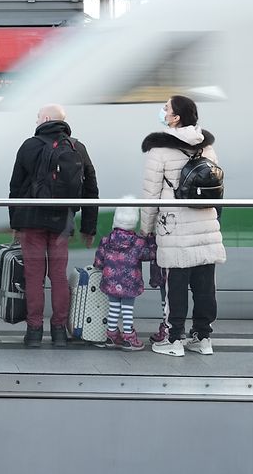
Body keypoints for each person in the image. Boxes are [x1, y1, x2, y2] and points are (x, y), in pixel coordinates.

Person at [9, 104, 98, 348]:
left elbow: (15, 186)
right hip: (62, 220)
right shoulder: (77, 147)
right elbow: (91, 189)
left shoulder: (29, 145)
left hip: (31, 220)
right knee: (58, 275)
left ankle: (34, 331)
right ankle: (59, 330)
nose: (36, 120)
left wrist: (15, 221)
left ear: (46, 118)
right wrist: (88, 227)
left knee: (33, 276)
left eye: (38, 116)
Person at [142, 95, 225, 357]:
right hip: (206, 224)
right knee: (205, 286)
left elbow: (151, 194)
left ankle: (174, 339)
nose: (162, 111)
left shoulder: (159, 150)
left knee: (175, 285)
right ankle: (203, 338)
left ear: (175, 117)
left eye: (165, 108)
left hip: (174, 226)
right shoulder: (206, 147)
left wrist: (146, 227)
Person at [92, 203, 156, 351]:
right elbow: (150, 255)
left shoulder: (106, 240)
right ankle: (129, 337)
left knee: (113, 308)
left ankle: (111, 335)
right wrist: (151, 242)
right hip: (129, 283)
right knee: (127, 309)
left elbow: (98, 262)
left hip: (110, 281)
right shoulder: (138, 242)